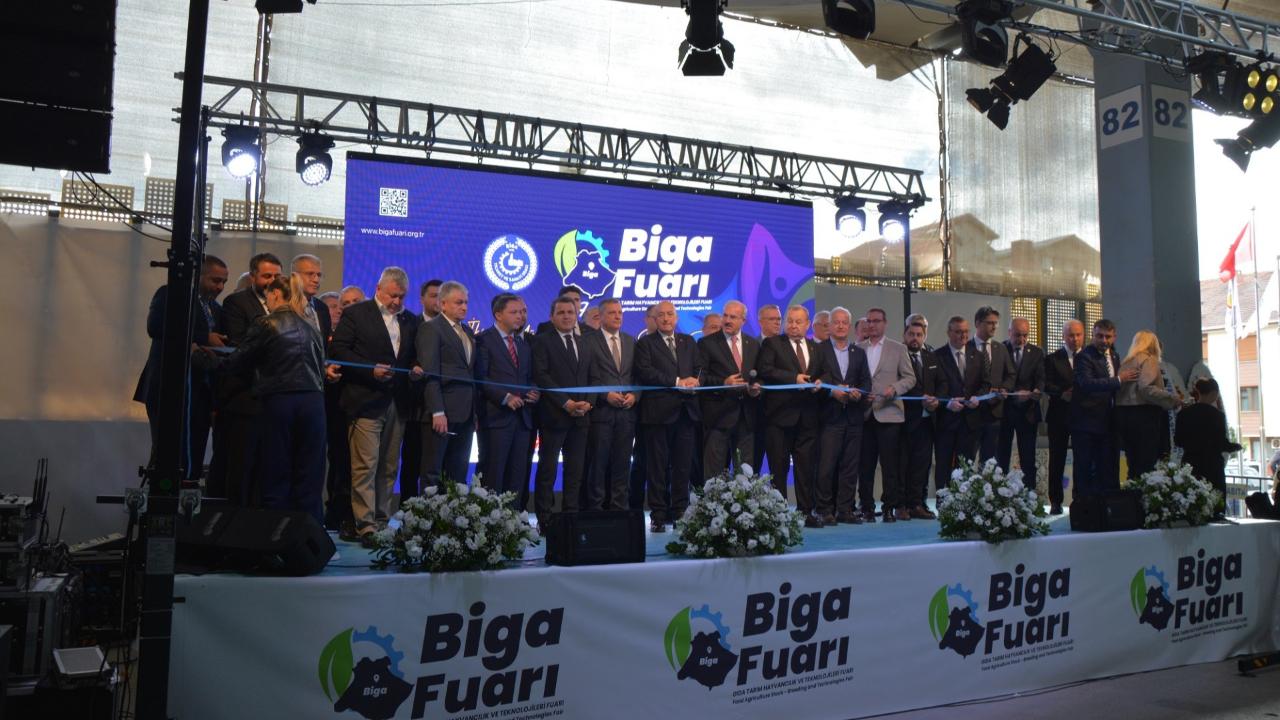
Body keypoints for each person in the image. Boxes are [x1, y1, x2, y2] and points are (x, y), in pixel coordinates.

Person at [219, 273, 326, 522]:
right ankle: (308, 533)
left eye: (267, 296)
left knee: (276, 470)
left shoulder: (268, 323)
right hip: (314, 402)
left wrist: (208, 360)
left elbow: (240, 360)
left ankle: (275, 531)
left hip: (281, 400)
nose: (266, 301)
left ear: (276, 293)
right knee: (309, 474)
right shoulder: (311, 326)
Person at [329, 267, 423, 545]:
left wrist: (416, 367)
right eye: (393, 295)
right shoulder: (357, 314)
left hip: (398, 403)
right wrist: (370, 370)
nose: (397, 301)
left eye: (402, 297)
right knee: (365, 466)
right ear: (379, 288)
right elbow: (339, 351)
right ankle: (366, 525)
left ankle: (382, 521)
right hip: (365, 400)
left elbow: (412, 355)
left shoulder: (410, 320)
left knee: (389, 467)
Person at [135, 255, 228, 482]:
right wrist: (204, 337)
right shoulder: (170, 293)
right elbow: (156, 326)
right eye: (215, 280)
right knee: (167, 453)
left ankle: (189, 492)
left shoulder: (215, 309)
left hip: (201, 392)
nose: (220, 287)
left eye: (224, 282)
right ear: (199, 276)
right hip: (169, 387)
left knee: (194, 453)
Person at [210, 252, 282, 506]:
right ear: (253, 276)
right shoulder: (236, 303)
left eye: (277, 276)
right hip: (243, 399)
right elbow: (239, 344)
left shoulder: (285, 305)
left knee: (265, 469)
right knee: (238, 466)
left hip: (272, 400)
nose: (272, 281)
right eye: (266, 275)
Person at [634, 301, 701, 532]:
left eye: (670, 314)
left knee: (682, 467)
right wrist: (677, 382)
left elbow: (699, 368)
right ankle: (658, 515)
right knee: (657, 467)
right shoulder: (645, 343)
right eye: (660, 315)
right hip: (658, 415)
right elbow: (645, 372)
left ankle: (680, 512)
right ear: (654, 319)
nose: (665, 318)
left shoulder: (688, 341)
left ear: (676, 317)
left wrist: (694, 382)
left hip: (686, 414)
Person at [531, 295, 595, 528]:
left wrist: (588, 403)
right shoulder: (542, 342)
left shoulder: (585, 342)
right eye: (561, 312)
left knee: (575, 472)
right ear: (552, 317)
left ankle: (571, 517)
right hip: (554, 416)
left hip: (581, 418)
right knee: (547, 471)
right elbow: (541, 375)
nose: (567, 316)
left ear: (576, 315)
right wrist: (566, 403)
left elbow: (594, 377)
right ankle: (545, 519)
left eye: (570, 312)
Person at [758, 305, 825, 527]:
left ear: (807, 324)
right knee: (778, 468)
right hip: (779, 417)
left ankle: (806, 512)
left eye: (798, 321)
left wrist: (820, 382)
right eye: (790, 321)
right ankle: (779, 514)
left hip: (808, 418)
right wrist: (793, 378)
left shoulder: (816, 348)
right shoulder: (772, 344)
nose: (793, 325)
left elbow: (824, 372)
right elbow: (766, 370)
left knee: (806, 468)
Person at [475, 294, 538, 503]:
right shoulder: (483, 340)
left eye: (522, 312)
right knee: (493, 474)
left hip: (522, 420)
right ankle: (489, 519)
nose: (520, 316)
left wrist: (534, 391)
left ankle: (514, 520)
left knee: (517, 476)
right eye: (514, 312)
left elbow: (529, 377)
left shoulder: (523, 344)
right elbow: (480, 378)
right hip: (496, 419)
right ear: (498, 315)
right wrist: (505, 397)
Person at [857, 307, 917, 523]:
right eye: (869, 321)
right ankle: (866, 507)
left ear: (885, 323)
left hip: (890, 413)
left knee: (890, 466)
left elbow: (910, 378)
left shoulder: (898, 348)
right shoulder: (858, 348)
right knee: (865, 465)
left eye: (876, 321)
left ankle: (889, 507)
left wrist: (894, 388)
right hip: (865, 415)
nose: (872, 324)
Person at [415, 280, 477, 490]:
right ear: (443, 304)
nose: (464, 307)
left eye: (466, 302)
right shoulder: (431, 328)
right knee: (432, 471)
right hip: (442, 413)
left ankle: (456, 512)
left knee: (458, 472)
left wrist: (474, 412)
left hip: (465, 414)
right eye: (459, 302)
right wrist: (437, 411)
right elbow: (430, 372)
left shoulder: (467, 332)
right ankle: (428, 512)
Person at [1071, 318, 1138, 498]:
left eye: (1107, 337)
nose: (1103, 340)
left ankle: (1108, 506)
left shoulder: (1114, 356)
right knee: (1085, 469)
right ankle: (1084, 507)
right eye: (1099, 336)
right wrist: (1119, 380)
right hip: (1086, 423)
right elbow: (1087, 384)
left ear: (1114, 337)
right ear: (1092, 335)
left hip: (1108, 422)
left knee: (1108, 468)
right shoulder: (1084, 356)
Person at [816, 307, 871, 524]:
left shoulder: (859, 352)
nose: (840, 326)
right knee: (826, 466)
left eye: (844, 322)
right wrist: (832, 392)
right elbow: (814, 380)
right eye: (836, 322)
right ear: (829, 326)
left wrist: (859, 393)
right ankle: (824, 509)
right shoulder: (819, 350)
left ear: (849, 326)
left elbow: (866, 382)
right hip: (829, 417)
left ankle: (845, 510)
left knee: (850, 467)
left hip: (854, 418)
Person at [584, 299, 638, 510]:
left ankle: (619, 509)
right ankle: (595, 510)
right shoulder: (589, 341)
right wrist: (605, 395)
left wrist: (635, 396)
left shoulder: (630, 341)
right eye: (612, 313)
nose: (617, 316)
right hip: (601, 413)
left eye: (620, 313)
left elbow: (637, 375)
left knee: (622, 464)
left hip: (626, 414)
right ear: (601, 316)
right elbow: (587, 376)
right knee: (598, 464)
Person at [698, 300, 760, 477]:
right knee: (714, 474)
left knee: (746, 473)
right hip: (718, 416)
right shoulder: (706, 343)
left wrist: (756, 388)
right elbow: (700, 378)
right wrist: (723, 383)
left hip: (746, 416)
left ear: (743, 321)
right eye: (725, 315)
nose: (727, 320)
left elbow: (759, 374)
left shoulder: (753, 344)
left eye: (733, 317)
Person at [1116, 330, 1183, 478]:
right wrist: (1172, 399)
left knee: (1132, 462)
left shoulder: (1126, 362)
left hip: (1124, 415)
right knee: (1146, 463)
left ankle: (1132, 490)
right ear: (1153, 344)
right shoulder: (1149, 360)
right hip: (1144, 416)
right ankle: (1144, 491)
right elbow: (1146, 388)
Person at [933, 316, 988, 494]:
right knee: (943, 464)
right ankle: (943, 502)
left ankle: (963, 501)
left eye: (965, 331)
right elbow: (933, 387)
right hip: (946, 421)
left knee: (966, 466)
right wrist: (947, 403)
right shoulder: (937, 356)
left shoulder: (977, 355)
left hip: (970, 421)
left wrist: (978, 398)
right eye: (958, 332)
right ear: (949, 333)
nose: (963, 335)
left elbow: (985, 384)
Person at [400, 278, 442, 499]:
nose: (438, 300)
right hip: (416, 407)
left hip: (444, 407)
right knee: (412, 462)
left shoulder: (456, 330)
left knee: (439, 466)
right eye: (433, 296)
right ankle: (407, 509)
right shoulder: (411, 325)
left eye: (442, 296)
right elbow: (403, 357)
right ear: (422, 299)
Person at [1175, 379, 1240, 519]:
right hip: (1212, 466)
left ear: (1198, 392)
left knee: (1191, 504)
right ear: (1214, 393)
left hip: (1191, 464)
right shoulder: (1217, 415)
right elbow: (1221, 443)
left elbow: (1178, 441)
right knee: (1215, 507)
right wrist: (1235, 446)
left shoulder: (1184, 414)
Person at [997, 317, 1045, 485]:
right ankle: (999, 492)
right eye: (1017, 335)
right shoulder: (1000, 349)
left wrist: (1036, 391)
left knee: (1028, 458)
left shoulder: (1037, 352)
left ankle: (1029, 493)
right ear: (1009, 332)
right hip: (1005, 410)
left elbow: (1041, 379)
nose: (1022, 339)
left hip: (1028, 411)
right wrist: (1007, 391)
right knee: (1001, 456)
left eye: (1025, 335)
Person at [1043, 320, 1084, 514]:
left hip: (1083, 415)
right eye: (1071, 335)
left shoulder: (1088, 357)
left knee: (1082, 458)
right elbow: (1046, 384)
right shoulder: (1052, 359)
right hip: (1058, 415)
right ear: (1063, 336)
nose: (1074, 339)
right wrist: (1061, 393)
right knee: (1057, 459)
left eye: (1078, 335)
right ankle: (1056, 501)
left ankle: (1080, 498)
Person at [901, 318, 941, 513]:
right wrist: (920, 399)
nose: (915, 338)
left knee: (922, 465)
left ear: (924, 337)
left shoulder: (932, 357)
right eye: (911, 334)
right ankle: (902, 505)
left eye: (919, 335)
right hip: (903, 420)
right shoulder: (897, 354)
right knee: (903, 465)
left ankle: (919, 503)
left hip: (927, 420)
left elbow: (941, 383)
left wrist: (936, 400)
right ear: (904, 335)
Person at [971, 307, 1015, 462]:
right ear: (977, 323)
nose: (994, 327)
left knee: (990, 462)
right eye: (990, 323)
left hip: (995, 413)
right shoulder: (967, 347)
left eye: (996, 323)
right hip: (972, 413)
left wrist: (1005, 388)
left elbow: (1010, 374)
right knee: (967, 460)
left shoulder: (1000, 348)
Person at [752, 303, 784, 473]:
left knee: (779, 465)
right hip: (756, 414)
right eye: (772, 319)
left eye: (779, 319)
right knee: (753, 464)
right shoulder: (751, 345)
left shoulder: (787, 346)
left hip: (781, 414)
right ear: (761, 322)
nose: (777, 322)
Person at [291, 254, 332, 339]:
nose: (316, 280)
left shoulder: (322, 308)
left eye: (319, 275)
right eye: (310, 274)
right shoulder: (284, 304)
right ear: (294, 276)